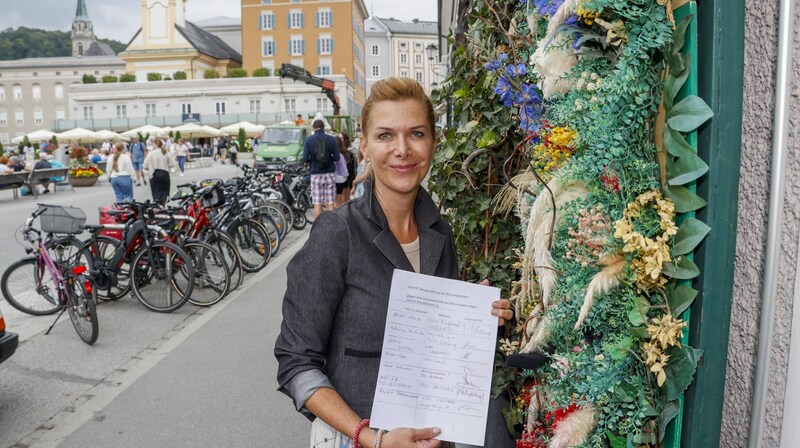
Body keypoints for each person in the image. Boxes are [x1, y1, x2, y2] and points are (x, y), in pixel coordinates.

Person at [274, 78, 514, 448]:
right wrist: (371, 438)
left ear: (433, 144)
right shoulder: (338, 234)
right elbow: (296, 363)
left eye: (416, 133)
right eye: (385, 135)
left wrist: (478, 320)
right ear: (365, 147)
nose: (402, 149)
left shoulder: (438, 231)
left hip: (435, 439)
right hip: (357, 439)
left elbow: (438, 353)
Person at [301, 119, 339, 218]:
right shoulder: (331, 139)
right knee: (330, 202)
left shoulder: (309, 140)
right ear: (323, 128)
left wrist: (312, 160)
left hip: (315, 173)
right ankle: (332, 226)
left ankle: (319, 229)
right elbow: (337, 157)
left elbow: (304, 158)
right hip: (329, 173)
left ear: (314, 128)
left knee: (317, 203)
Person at [143, 138, 176, 205]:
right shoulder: (165, 152)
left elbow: (145, 166)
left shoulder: (151, 153)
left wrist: (150, 167)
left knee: (156, 192)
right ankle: (163, 204)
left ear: (155, 144)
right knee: (164, 192)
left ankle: (157, 205)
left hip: (154, 174)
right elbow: (172, 164)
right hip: (164, 173)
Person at [333, 135, 352, 208]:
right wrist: (346, 176)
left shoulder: (334, 155)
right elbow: (345, 170)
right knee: (345, 200)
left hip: (336, 180)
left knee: (338, 201)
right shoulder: (342, 155)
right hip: (343, 180)